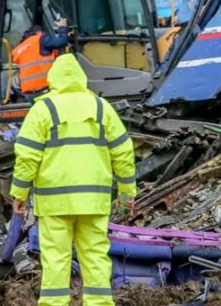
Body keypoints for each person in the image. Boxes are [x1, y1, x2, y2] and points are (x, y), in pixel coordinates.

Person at [10, 54, 136, 306]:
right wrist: (126, 192)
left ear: (53, 79)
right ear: (81, 78)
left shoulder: (43, 109)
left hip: (55, 203)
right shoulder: (101, 107)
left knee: (56, 259)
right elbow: (123, 152)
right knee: (96, 257)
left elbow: (27, 157)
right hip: (94, 201)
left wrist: (19, 194)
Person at [11, 18, 70, 100]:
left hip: (28, 94)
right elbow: (62, 42)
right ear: (39, 33)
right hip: (44, 90)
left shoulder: (17, 50)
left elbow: (38, 58)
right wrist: (62, 27)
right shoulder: (39, 38)